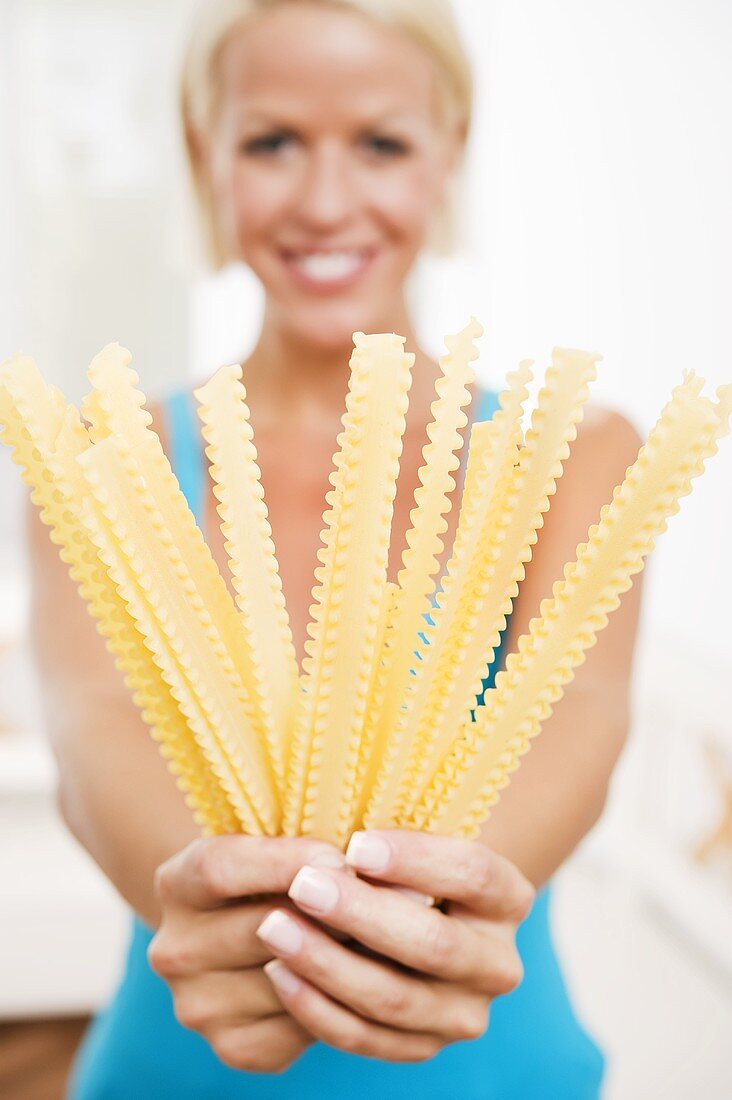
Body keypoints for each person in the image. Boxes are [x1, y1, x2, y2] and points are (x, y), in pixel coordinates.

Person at [27, 1, 643, 1096]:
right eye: (271, 141)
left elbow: (582, 713)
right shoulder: (102, 458)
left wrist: (412, 926)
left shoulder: (577, 454)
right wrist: (259, 935)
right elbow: (93, 737)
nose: (325, 200)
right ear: (200, 148)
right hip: (179, 1066)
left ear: (449, 152)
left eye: (382, 142)